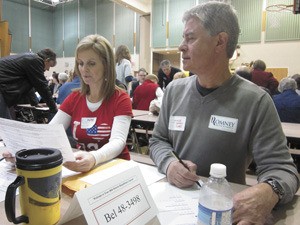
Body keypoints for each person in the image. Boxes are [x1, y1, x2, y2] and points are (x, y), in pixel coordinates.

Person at [149, 2, 299, 225]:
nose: (181, 46)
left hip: (222, 213)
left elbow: (282, 169)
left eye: (190, 38)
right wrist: (170, 163)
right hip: (172, 207)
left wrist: (269, 191)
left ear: (220, 41)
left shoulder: (255, 100)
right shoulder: (174, 91)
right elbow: (158, 141)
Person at [49, 34, 132, 173]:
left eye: (91, 63)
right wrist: (27, 151)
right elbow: (51, 132)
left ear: (106, 65)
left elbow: (118, 141)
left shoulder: (120, 98)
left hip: (116, 168)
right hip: (85, 169)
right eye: (81, 63)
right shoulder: (74, 97)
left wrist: (94, 157)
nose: (84, 69)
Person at [0, 48, 58, 119]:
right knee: (5, 123)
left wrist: (35, 103)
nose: (48, 69)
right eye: (49, 65)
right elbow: (42, 86)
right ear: (46, 60)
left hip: (2, 89)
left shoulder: (30, 58)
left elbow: (31, 85)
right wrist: (54, 108)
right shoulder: (35, 61)